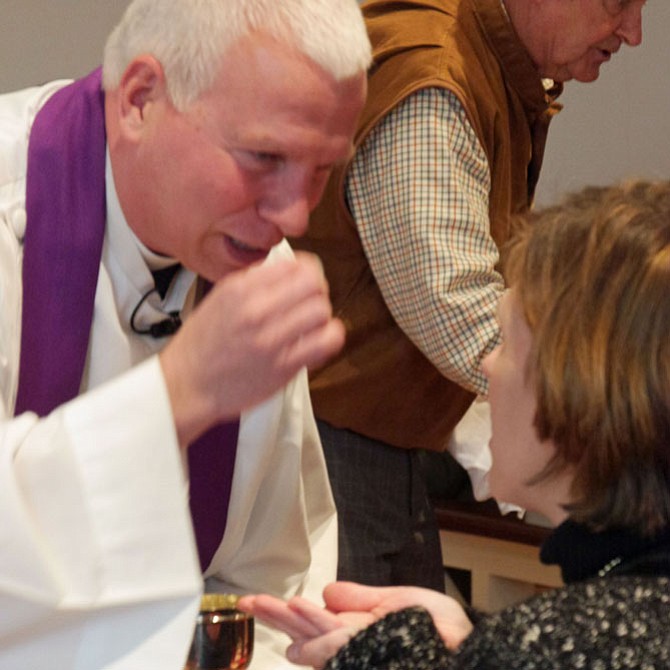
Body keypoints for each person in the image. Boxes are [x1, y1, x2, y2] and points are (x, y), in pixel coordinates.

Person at [0, 0, 371, 667]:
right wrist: (177, 394)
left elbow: (269, 575)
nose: (293, 217)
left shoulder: (253, 264)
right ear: (141, 99)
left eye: (321, 171)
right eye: (264, 156)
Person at [239, 178, 670, 669]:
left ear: (577, 390)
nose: (487, 366)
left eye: (506, 342)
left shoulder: (550, 646)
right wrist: (472, 643)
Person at [290, 0, 646, 590]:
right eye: (619, 2)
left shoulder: (485, 61)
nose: (633, 32)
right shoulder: (434, 75)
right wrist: (612, 414)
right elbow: (457, 311)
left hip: (388, 433)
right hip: (336, 445)